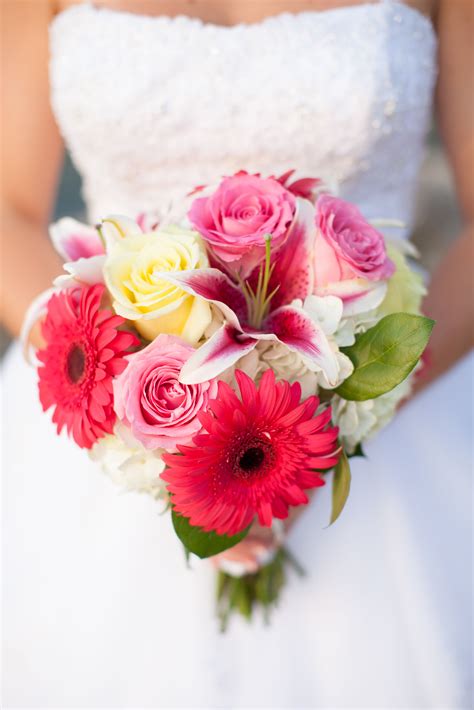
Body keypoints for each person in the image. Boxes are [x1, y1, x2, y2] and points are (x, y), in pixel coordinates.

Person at [1, 0, 472, 706]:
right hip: (112, 440)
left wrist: (342, 419)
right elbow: (8, 206)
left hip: (380, 420)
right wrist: (135, 416)